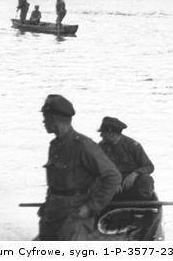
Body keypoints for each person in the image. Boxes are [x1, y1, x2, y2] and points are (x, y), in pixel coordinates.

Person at [38, 94, 121, 241]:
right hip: (53, 212)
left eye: (45, 118)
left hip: (75, 215)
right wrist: (47, 204)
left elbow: (113, 177)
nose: (43, 122)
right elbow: (55, 183)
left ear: (54, 119)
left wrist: (91, 207)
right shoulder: (55, 145)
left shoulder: (83, 145)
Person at [98, 117, 156, 202]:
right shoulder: (100, 147)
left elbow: (149, 166)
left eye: (103, 132)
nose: (101, 135)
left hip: (130, 184)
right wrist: (113, 181)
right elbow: (96, 169)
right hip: (111, 183)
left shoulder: (133, 146)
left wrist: (135, 173)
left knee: (146, 180)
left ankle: (142, 209)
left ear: (112, 133)